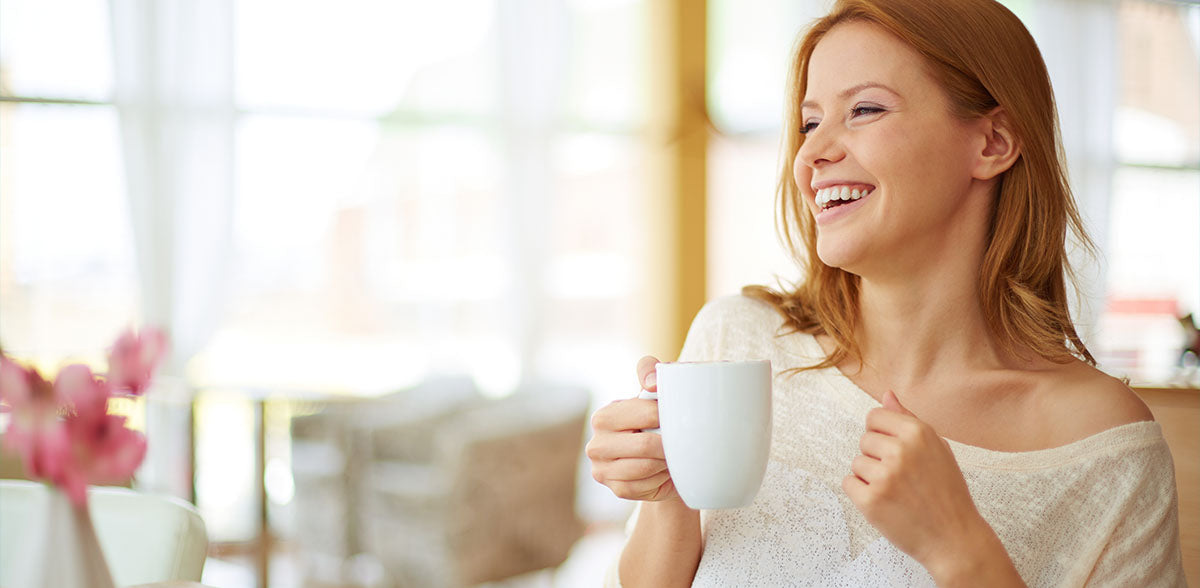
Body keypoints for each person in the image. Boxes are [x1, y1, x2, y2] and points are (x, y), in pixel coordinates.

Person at [586, 0, 1188, 586]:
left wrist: (961, 549)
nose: (812, 155)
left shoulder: (1105, 449)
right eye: (810, 122)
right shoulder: (737, 340)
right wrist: (669, 495)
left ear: (993, 143)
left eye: (866, 110)